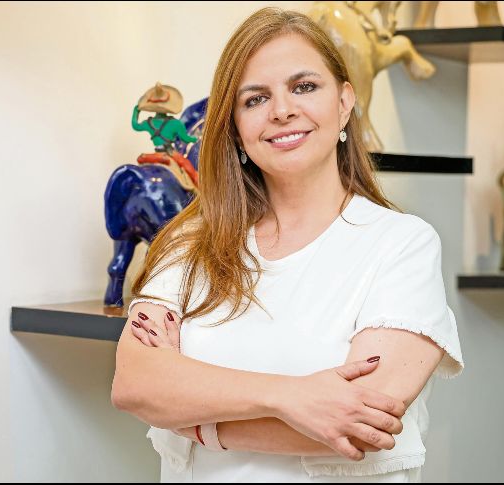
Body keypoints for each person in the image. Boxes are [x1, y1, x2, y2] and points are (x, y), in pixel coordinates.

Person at [111, 7, 463, 483]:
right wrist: (290, 396)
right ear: (235, 126)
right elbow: (135, 384)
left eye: (304, 87)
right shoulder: (190, 242)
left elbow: (364, 425)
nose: (281, 110)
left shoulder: (402, 245)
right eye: (255, 98)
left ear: (345, 102)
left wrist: (193, 421)